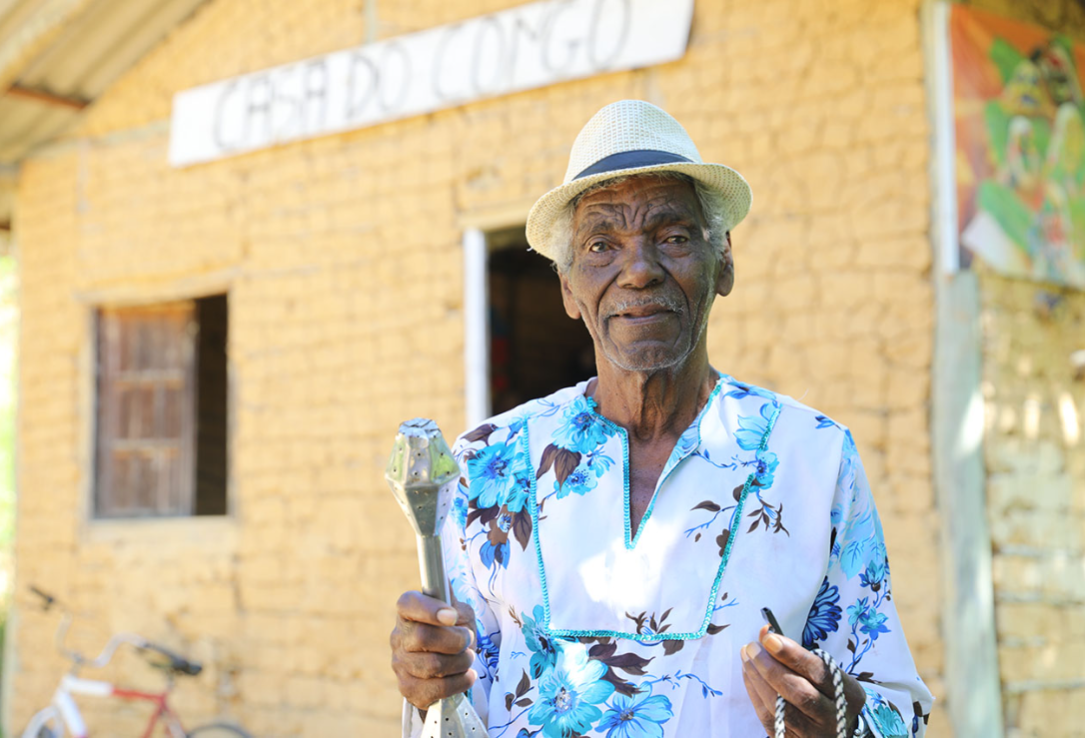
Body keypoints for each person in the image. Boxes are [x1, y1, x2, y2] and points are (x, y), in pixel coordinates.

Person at [390, 100, 932, 738]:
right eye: (601, 245)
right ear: (568, 287)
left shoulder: (813, 458)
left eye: (672, 237)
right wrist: (424, 678)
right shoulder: (489, 461)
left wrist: (839, 719)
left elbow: (899, 710)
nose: (639, 270)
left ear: (722, 260)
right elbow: (454, 710)